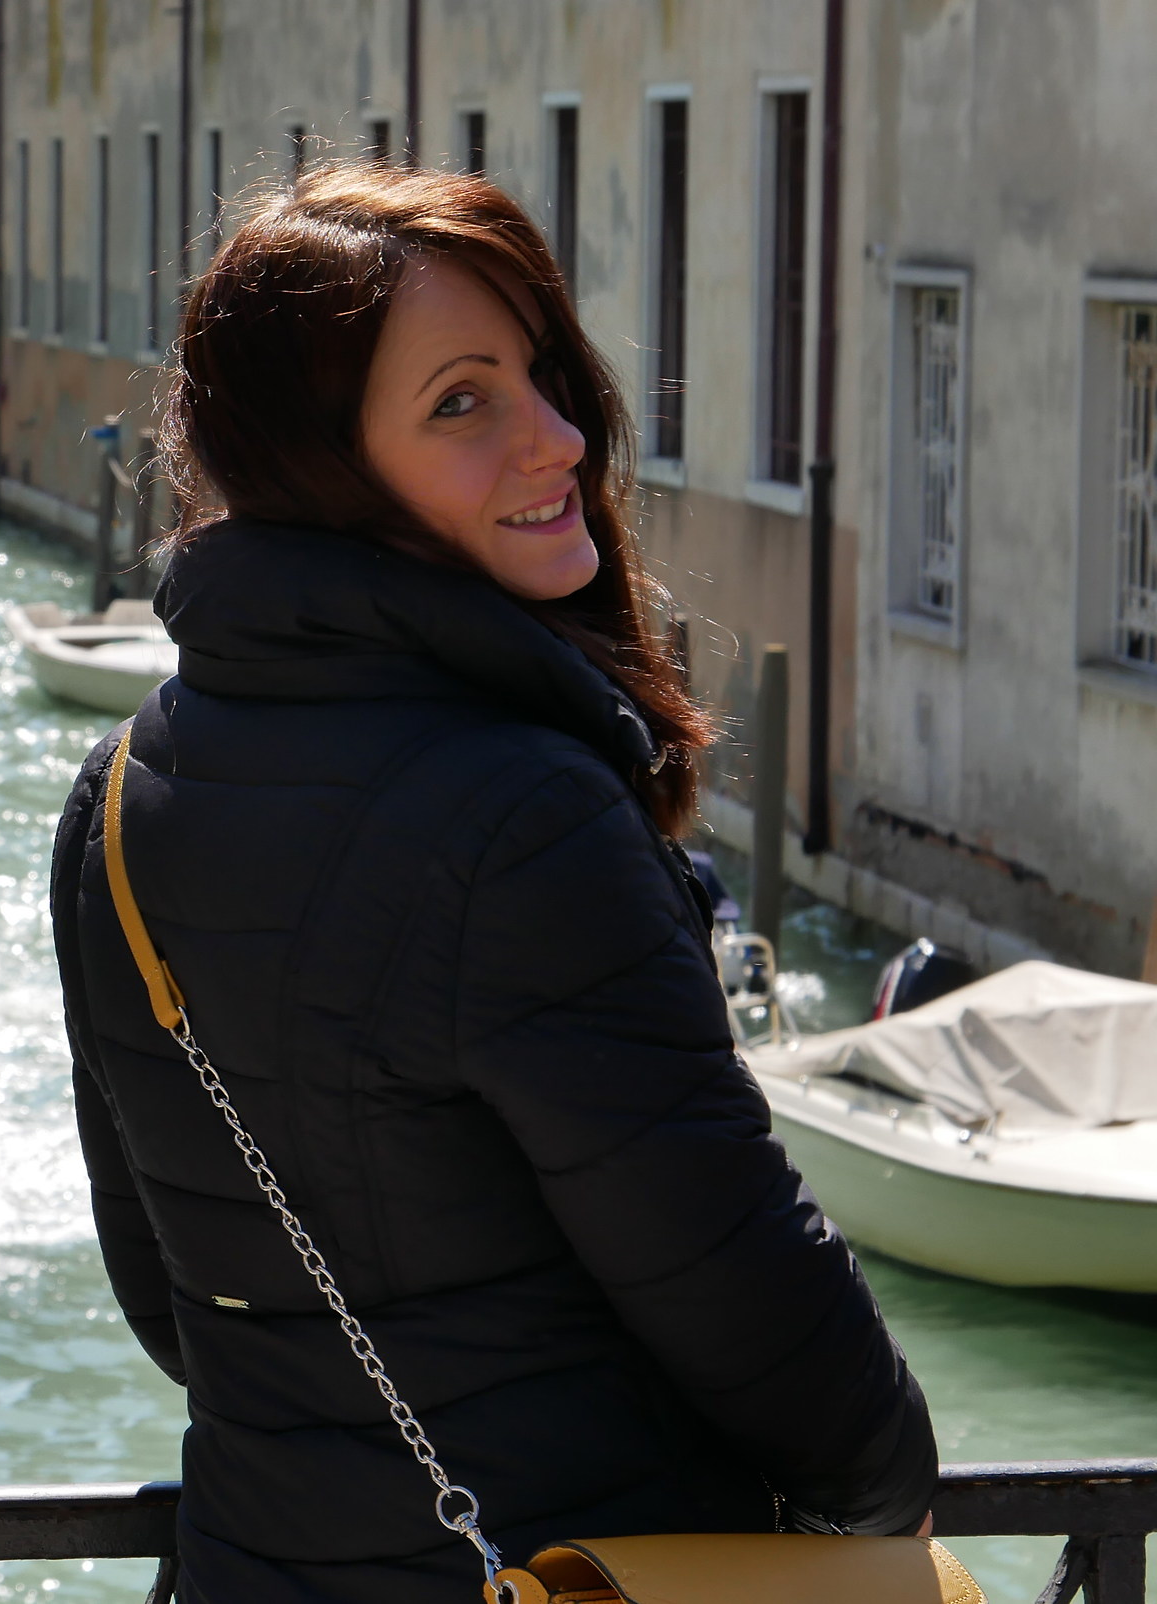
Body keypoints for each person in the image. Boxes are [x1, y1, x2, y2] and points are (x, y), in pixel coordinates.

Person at [48, 163, 937, 1603]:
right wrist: (888, 1494)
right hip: (579, 1570)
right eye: (461, 402)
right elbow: (756, 1307)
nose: (560, 440)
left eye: (538, 375)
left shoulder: (113, 805)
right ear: (316, 463)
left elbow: (170, 1297)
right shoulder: (523, 816)